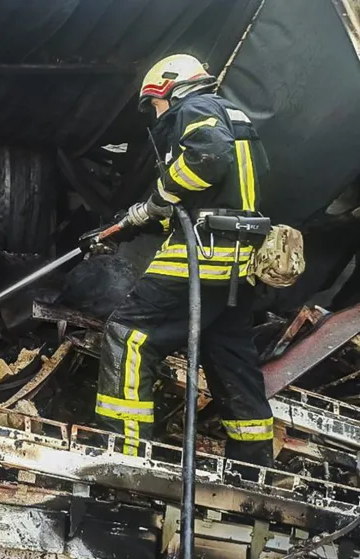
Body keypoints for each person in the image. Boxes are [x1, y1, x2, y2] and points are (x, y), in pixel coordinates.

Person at [94, 54, 274, 466]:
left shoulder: (195, 108)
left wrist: (161, 196)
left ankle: (124, 456)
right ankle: (254, 466)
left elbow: (209, 158)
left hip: (202, 258)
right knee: (229, 356)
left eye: (154, 104)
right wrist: (138, 220)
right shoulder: (234, 116)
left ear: (171, 89)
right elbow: (217, 192)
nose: (156, 114)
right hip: (237, 264)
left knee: (128, 334)